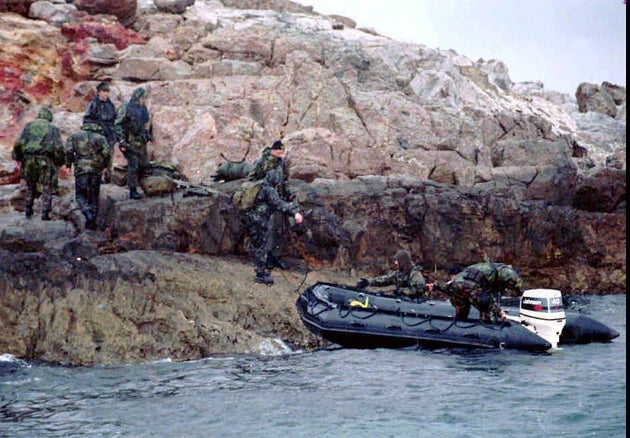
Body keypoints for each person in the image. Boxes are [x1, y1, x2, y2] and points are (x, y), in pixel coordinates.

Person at [246, 168, 304, 285]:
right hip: (260, 221)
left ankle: (261, 270)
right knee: (261, 247)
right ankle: (260, 275)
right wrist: (294, 213)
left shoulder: (261, 184)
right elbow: (278, 204)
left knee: (258, 245)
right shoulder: (269, 190)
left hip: (253, 218)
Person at [11, 107, 65, 220]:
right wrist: (59, 162)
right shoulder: (53, 128)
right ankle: (45, 214)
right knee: (47, 187)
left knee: (30, 186)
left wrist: (18, 157)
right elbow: (59, 148)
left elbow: (19, 143)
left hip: (29, 160)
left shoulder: (29, 126)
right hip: (45, 160)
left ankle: (28, 210)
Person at [247, 140, 293, 270]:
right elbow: (251, 180)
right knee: (268, 230)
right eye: (279, 150)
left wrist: (288, 193)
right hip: (265, 202)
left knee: (280, 230)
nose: (281, 153)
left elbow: (285, 180)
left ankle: (276, 256)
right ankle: (265, 257)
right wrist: (265, 188)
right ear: (273, 150)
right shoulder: (262, 162)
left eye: (282, 151)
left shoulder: (281, 164)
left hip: (279, 201)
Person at [427, 262, 524, 322]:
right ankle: (489, 323)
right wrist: (498, 311)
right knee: (485, 305)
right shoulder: (502, 271)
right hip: (470, 287)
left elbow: (450, 285)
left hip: (457, 287)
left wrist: (435, 286)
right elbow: (485, 301)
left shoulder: (479, 270)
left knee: (462, 310)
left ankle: (460, 321)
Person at [64, 122, 112, 231]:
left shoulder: (75, 136)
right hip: (96, 169)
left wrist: (68, 165)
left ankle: (86, 212)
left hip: (81, 168)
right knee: (94, 195)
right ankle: (92, 222)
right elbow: (107, 152)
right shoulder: (101, 137)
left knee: (80, 195)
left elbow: (68, 151)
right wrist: (105, 166)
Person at [115, 87, 152, 199]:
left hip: (140, 142)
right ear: (137, 97)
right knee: (133, 164)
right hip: (129, 142)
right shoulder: (126, 107)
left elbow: (143, 124)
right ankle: (132, 190)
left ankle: (141, 187)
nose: (144, 101)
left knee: (144, 164)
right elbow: (118, 125)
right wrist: (122, 141)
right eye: (142, 98)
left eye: (145, 99)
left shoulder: (142, 108)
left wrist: (147, 136)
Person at [83, 81, 118, 183]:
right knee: (97, 157)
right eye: (104, 91)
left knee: (109, 156)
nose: (106, 94)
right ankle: (97, 177)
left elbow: (115, 118)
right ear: (99, 92)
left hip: (109, 134)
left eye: (107, 91)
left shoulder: (110, 105)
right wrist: (94, 130)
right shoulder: (93, 105)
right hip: (97, 135)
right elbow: (87, 120)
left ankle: (107, 176)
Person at [355, 250, 427, 299]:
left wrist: (402, 291)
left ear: (403, 262)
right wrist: (368, 282)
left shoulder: (415, 274)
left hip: (414, 303)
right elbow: (386, 279)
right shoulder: (399, 273)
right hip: (402, 300)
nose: (395, 263)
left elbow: (419, 289)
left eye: (397, 261)